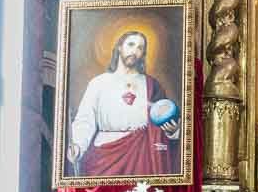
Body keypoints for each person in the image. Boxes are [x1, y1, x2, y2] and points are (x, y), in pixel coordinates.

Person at [66, 30, 180, 177]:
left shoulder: (151, 85)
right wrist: (77, 146)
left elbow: (161, 120)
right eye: (131, 44)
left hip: (141, 156)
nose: (135, 51)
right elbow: (85, 120)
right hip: (104, 157)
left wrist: (172, 130)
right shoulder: (99, 83)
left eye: (140, 48)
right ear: (119, 47)